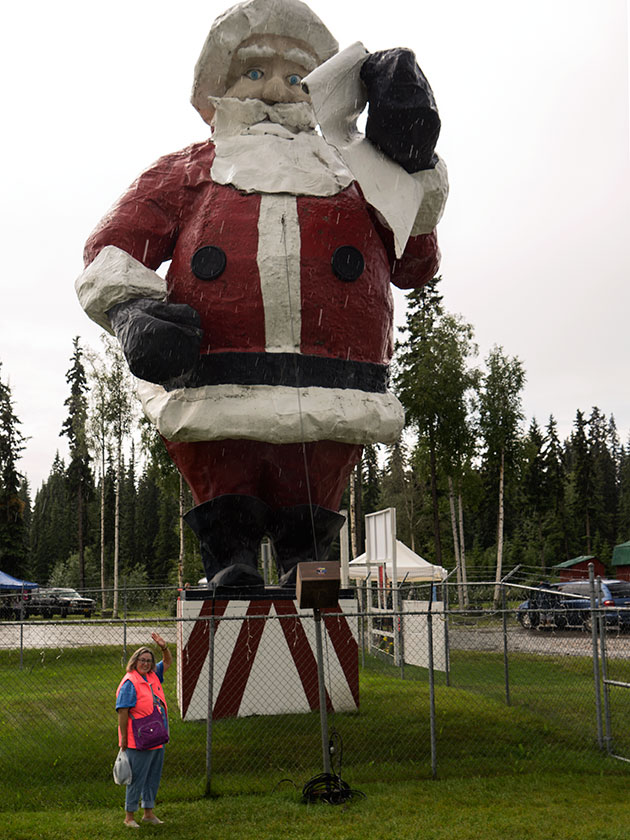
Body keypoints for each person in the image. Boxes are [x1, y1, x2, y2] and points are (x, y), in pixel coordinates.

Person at [76, 0, 448, 590]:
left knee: (315, 485)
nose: (277, 89)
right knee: (228, 478)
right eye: (255, 72)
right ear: (219, 87)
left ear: (322, 92)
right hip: (220, 376)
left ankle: (311, 556)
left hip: (335, 384)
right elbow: (114, 245)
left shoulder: (359, 176)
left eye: (297, 77)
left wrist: (410, 160)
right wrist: (132, 310)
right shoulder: (186, 170)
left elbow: (415, 263)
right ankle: (231, 556)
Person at [116, 632, 172, 828]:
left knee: (152, 776)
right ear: (135, 661)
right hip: (137, 739)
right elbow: (123, 712)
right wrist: (123, 738)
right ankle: (129, 816)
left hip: (156, 736)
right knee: (137, 778)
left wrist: (164, 647)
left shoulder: (152, 676)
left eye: (149, 660)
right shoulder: (130, 682)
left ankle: (148, 812)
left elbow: (167, 663)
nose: (146, 664)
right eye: (142, 660)